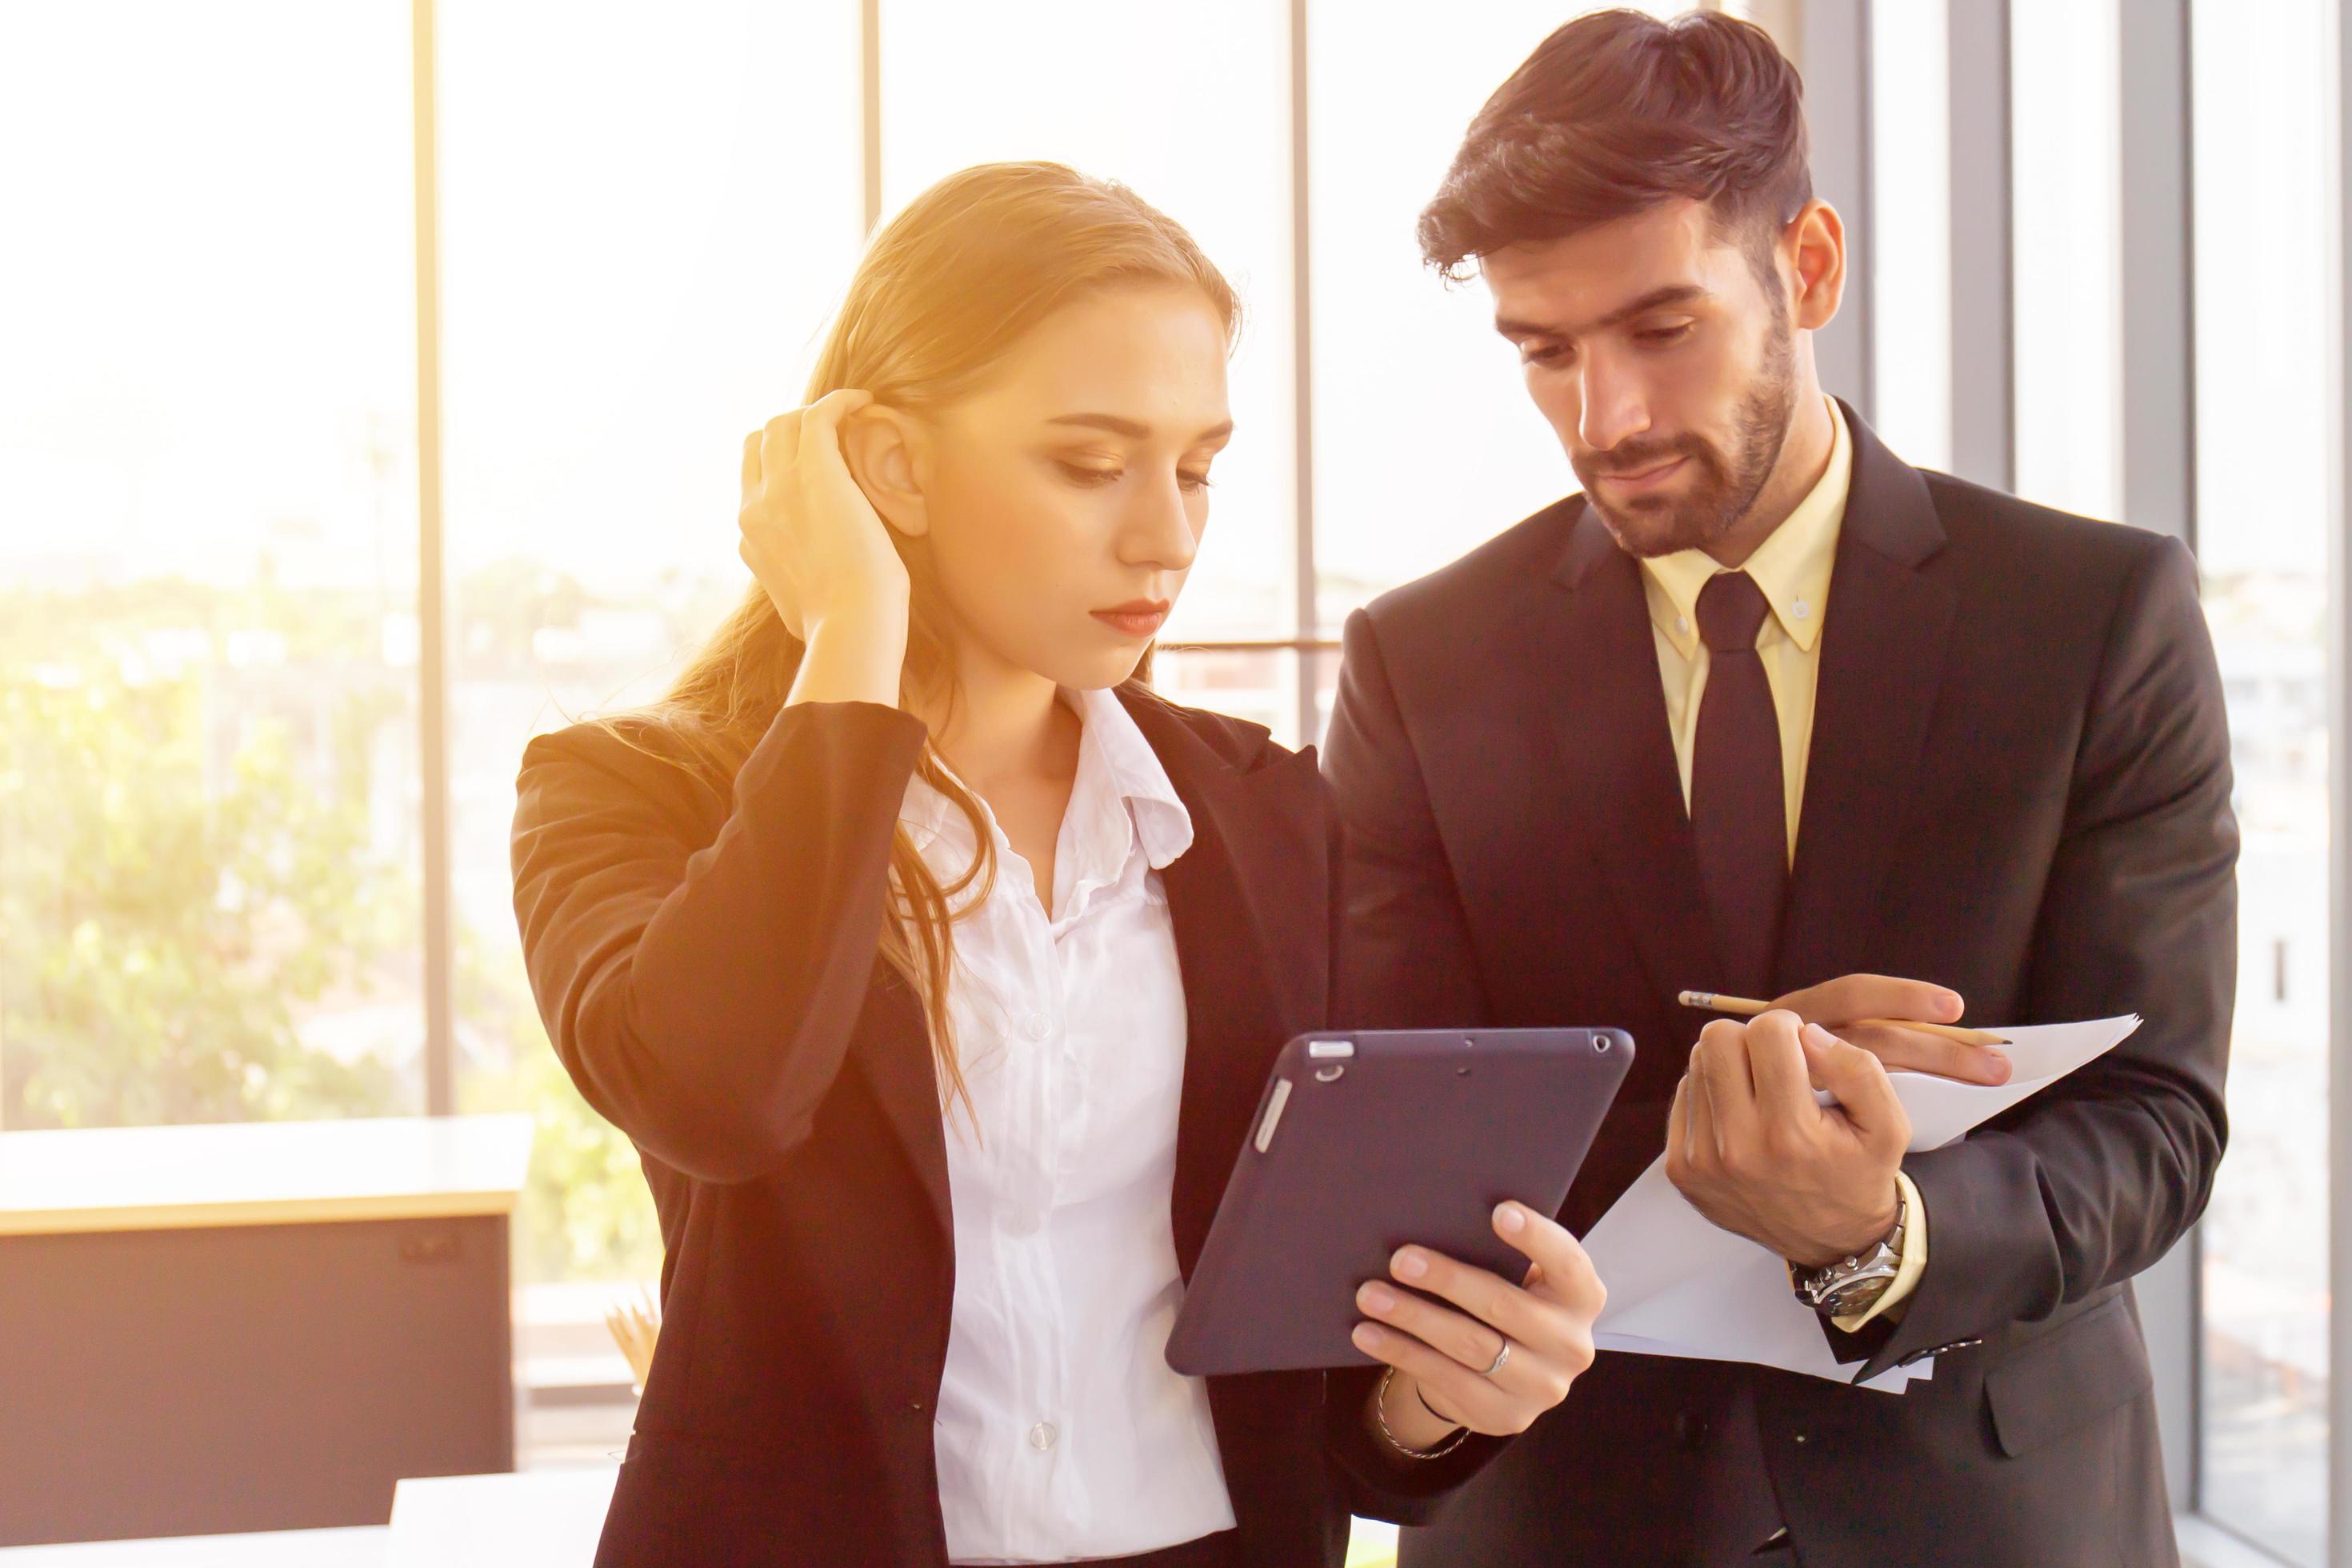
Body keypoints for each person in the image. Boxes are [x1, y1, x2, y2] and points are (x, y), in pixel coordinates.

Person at [509, 161, 1605, 1568]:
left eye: (1197, 468)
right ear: (890, 467)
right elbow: (723, 1094)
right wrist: (850, 632)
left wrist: (1443, 1393)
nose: (1167, 536)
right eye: (1091, 464)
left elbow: (1317, 1398)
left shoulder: (1270, 817)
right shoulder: (628, 794)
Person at [1322, 11, 2236, 1566]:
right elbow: (1401, 1122)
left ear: (1806, 266)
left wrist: (1884, 1232)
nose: (1604, 418)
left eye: (1661, 328)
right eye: (1545, 351)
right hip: (1574, 1513)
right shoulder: (1422, 660)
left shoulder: (2091, 615)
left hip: (1992, 1514)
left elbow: (2160, 1116)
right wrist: (1709, 1131)